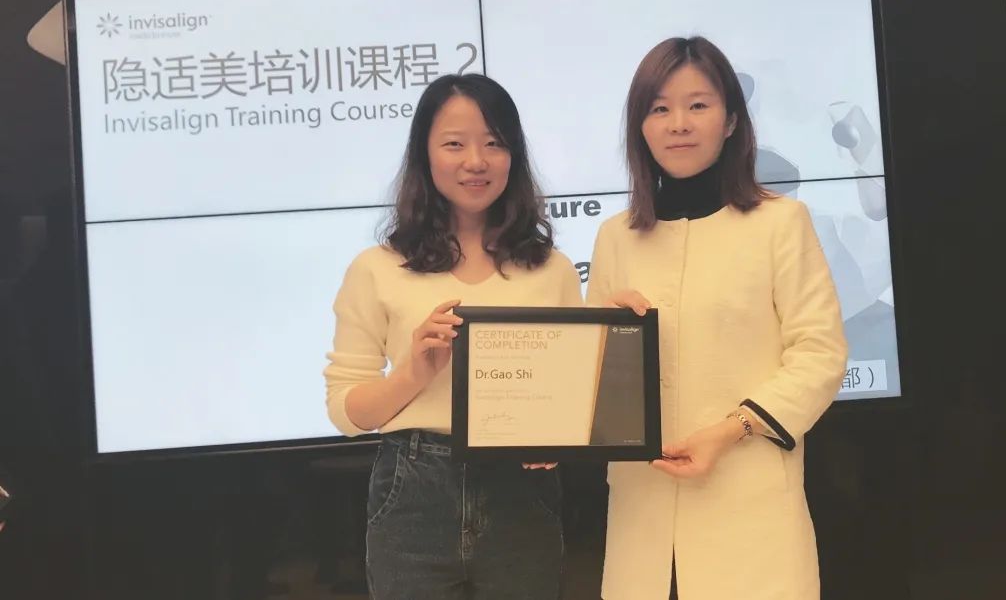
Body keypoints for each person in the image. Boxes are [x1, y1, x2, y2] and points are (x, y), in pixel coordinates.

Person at [587, 37, 848, 600]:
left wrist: (732, 428)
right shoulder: (616, 237)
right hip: (642, 517)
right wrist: (603, 340)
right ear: (640, 126)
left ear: (731, 121)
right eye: (659, 108)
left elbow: (820, 354)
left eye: (698, 105)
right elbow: (593, 390)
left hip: (749, 505)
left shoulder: (780, 222)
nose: (678, 123)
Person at [323, 73, 582, 600]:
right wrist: (415, 371)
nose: (476, 161)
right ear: (424, 154)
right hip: (413, 491)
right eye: (454, 144)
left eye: (494, 143)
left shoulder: (550, 268)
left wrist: (556, 438)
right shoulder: (377, 268)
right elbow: (348, 413)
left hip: (521, 494)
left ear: (514, 155)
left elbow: (573, 397)